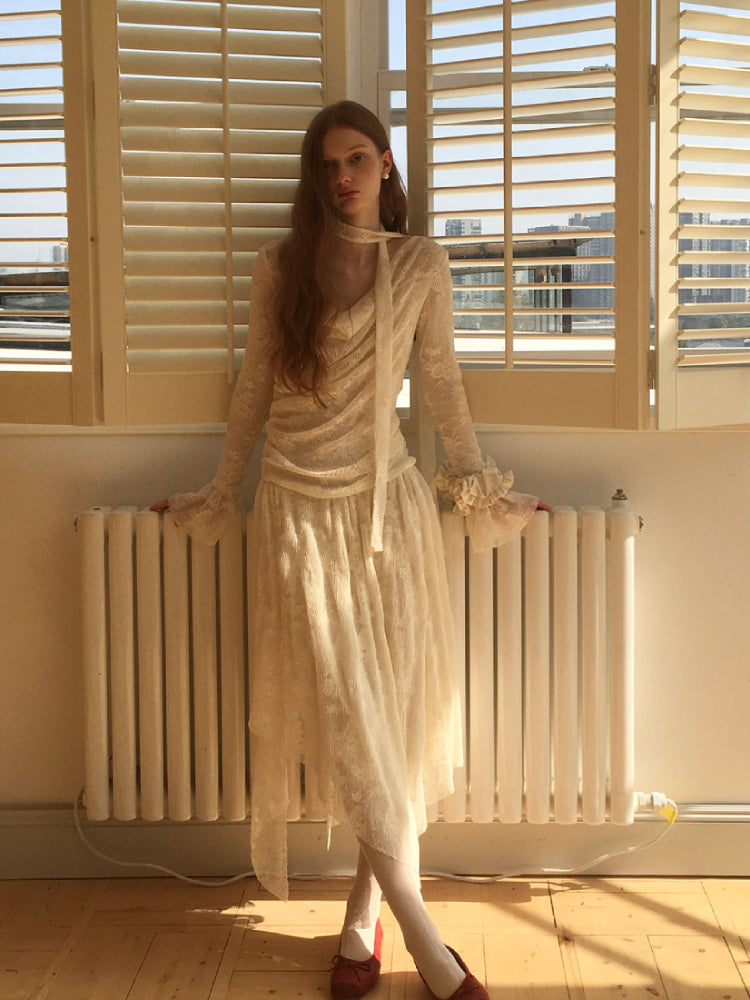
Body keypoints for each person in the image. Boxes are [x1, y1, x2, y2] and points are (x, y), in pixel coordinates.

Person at [157, 101, 538, 1000]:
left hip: (389, 515)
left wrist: (479, 484)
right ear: (314, 176)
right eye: (327, 164)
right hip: (296, 515)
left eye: (357, 159)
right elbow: (253, 386)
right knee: (352, 730)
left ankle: (361, 922)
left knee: (389, 727)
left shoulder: (420, 263)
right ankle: (428, 943)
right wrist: (221, 489)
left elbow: (442, 383)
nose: (342, 177)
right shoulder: (279, 266)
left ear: (386, 165)